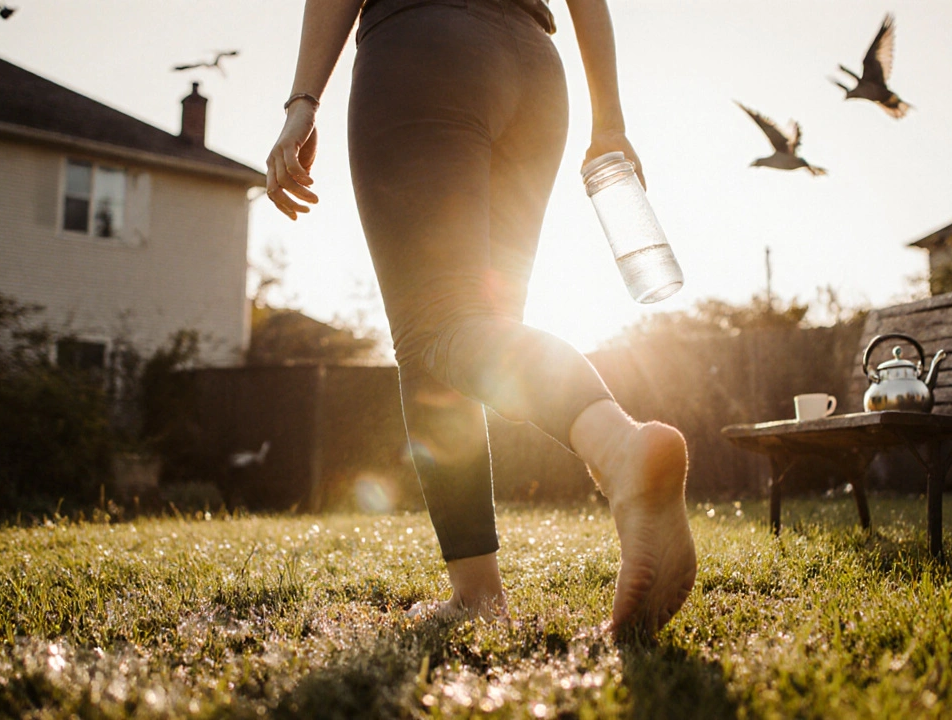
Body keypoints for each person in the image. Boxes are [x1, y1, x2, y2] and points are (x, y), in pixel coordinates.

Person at [266, 0, 695, 636]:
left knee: (434, 331)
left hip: (423, 51)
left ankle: (619, 447)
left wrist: (303, 100)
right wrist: (608, 121)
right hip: (534, 70)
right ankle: (477, 593)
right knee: (472, 340)